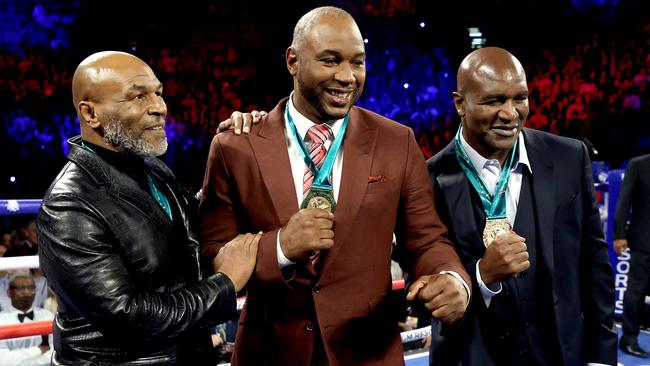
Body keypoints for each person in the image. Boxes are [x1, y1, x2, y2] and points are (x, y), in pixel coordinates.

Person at [199, 6, 470, 365]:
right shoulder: (237, 145)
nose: (347, 76)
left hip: (367, 351)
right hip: (269, 352)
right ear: (293, 61)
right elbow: (212, 255)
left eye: (357, 63)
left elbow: (426, 239)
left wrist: (450, 278)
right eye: (330, 61)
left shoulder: (396, 141)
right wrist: (278, 246)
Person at [36, 51, 260, 365]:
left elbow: (193, 236)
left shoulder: (151, 168)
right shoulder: (69, 204)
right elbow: (130, 317)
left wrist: (232, 156)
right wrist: (224, 285)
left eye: (157, 93)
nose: (159, 107)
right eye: (138, 96)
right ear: (90, 114)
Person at [426, 47, 617, 365]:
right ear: (460, 103)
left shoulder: (569, 157)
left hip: (561, 355)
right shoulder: (428, 178)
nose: (511, 113)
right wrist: (483, 277)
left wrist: (601, 357)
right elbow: (424, 292)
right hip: (472, 356)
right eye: (494, 100)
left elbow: (594, 263)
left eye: (520, 98)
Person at [614, 153, 650, 358]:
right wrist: (620, 234)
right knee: (635, 293)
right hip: (644, 241)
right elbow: (624, 201)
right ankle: (628, 339)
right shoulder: (639, 165)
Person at [0, 273, 52, 365]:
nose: (26, 292)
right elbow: (3, 360)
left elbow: (55, 352)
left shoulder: (47, 316)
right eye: (20, 288)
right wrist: (38, 350)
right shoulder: (1, 320)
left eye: (31, 288)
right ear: (9, 292)